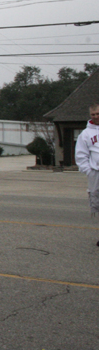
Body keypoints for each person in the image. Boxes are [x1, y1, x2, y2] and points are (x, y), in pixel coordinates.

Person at [74, 103, 99, 246]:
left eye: (98, 113)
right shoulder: (86, 134)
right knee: (98, 203)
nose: (96, 116)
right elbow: (81, 155)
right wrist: (88, 171)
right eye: (93, 114)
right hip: (96, 173)